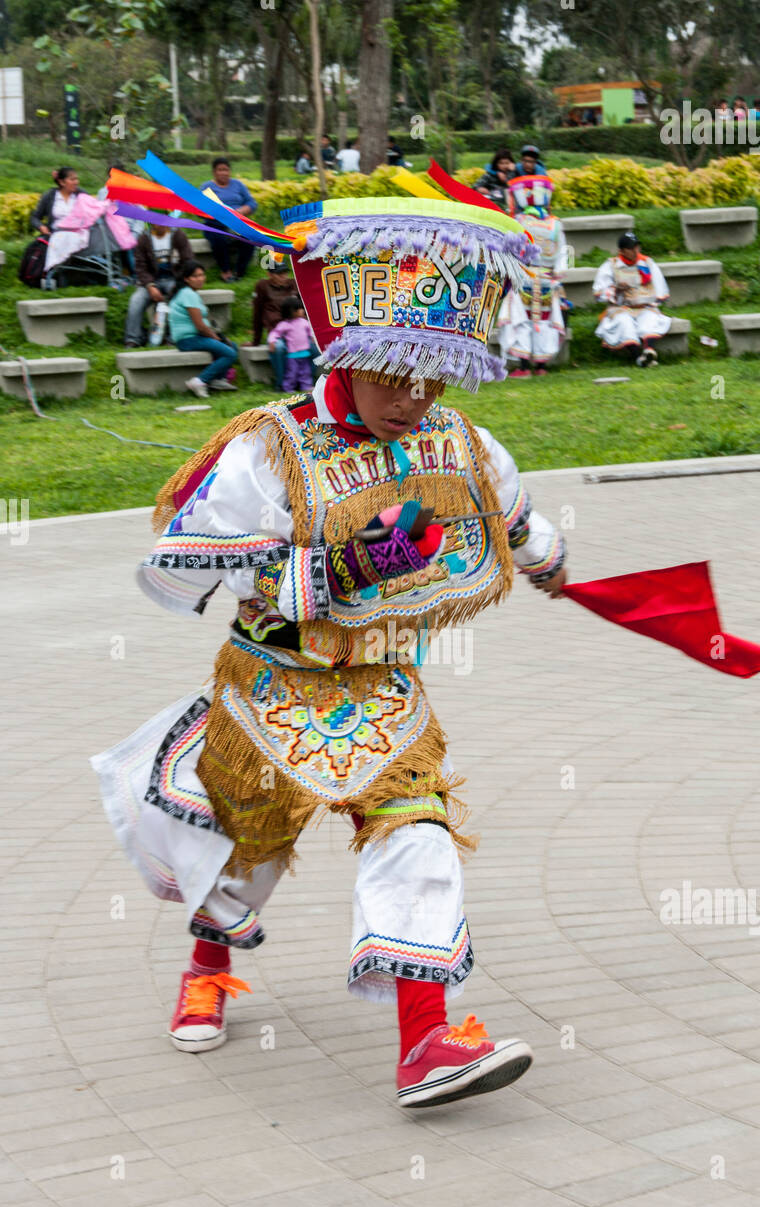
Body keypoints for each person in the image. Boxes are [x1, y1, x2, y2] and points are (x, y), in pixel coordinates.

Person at [92, 180, 569, 1110]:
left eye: (432, 375)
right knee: (249, 852)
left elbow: (508, 516)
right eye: (395, 374)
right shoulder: (268, 450)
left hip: (385, 686)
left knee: (417, 830)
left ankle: (427, 1041)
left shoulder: (456, 439)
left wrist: (549, 557)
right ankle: (207, 965)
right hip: (271, 685)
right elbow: (179, 576)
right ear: (348, 351)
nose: (414, 397)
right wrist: (340, 566)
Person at [497, 172, 567, 376]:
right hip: (547, 280)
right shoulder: (555, 223)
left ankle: (524, 366)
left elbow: (509, 250)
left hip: (524, 277)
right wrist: (558, 275)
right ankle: (541, 367)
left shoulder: (518, 221)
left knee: (521, 321)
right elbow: (563, 253)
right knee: (544, 321)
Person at [592, 231, 672, 367]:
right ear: (621, 251)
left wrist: (650, 300)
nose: (635, 251)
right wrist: (616, 289)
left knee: (650, 320)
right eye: (631, 248)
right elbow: (599, 292)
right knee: (624, 323)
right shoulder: (610, 265)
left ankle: (649, 350)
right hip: (620, 308)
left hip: (644, 307)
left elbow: (660, 290)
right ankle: (639, 358)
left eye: (637, 247)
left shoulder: (647, 263)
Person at [168, 258, 239, 397]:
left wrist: (219, 338)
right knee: (229, 353)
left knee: (233, 346)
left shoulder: (189, 293)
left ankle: (218, 380)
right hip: (189, 339)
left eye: (202, 275)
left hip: (195, 337)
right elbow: (200, 326)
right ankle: (199, 381)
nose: (200, 279)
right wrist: (216, 338)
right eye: (195, 276)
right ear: (186, 279)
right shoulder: (188, 294)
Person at [124, 221, 192, 347]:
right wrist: (150, 285)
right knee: (136, 300)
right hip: (151, 280)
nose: (159, 224)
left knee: (177, 297)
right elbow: (140, 267)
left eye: (161, 219)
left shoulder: (178, 236)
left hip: (174, 278)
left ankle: (172, 336)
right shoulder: (144, 238)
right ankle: (133, 338)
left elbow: (187, 262)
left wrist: (179, 283)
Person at [200, 158, 258, 281]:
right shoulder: (206, 187)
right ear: (214, 172)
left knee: (250, 237)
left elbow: (252, 202)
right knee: (218, 239)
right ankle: (225, 271)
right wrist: (217, 214)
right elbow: (199, 210)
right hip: (215, 224)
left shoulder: (238, 185)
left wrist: (242, 210)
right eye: (220, 170)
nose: (223, 173)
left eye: (226, 170)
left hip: (238, 222)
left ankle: (239, 272)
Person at [267, 296, 317, 391]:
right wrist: (272, 341)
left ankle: (305, 386)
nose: (302, 310)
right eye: (299, 309)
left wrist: (313, 337)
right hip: (293, 355)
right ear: (292, 311)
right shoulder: (285, 324)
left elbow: (311, 331)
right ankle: (288, 387)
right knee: (291, 372)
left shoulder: (304, 322)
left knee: (305, 372)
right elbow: (275, 333)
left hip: (305, 353)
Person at [30, 167, 83, 235]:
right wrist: (41, 227)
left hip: (78, 237)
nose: (76, 182)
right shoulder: (50, 196)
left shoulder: (80, 195)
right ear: (62, 182)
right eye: (72, 179)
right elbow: (34, 218)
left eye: (77, 179)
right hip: (55, 236)